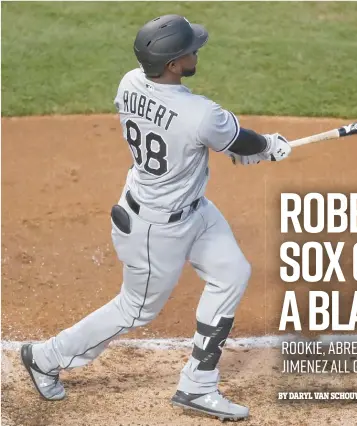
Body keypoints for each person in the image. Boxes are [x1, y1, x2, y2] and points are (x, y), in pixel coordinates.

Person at [20, 14, 292, 421]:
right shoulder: (201, 113)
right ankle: (45, 356)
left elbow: (213, 140)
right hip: (156, 227)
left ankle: (198, 384)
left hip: (193, 209)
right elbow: (240, 140)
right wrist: (268, 146)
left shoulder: (130, 82)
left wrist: (235, 147)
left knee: (232, 272)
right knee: (135, 309)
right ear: (172, 65)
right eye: (189, 50)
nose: (196, 51)